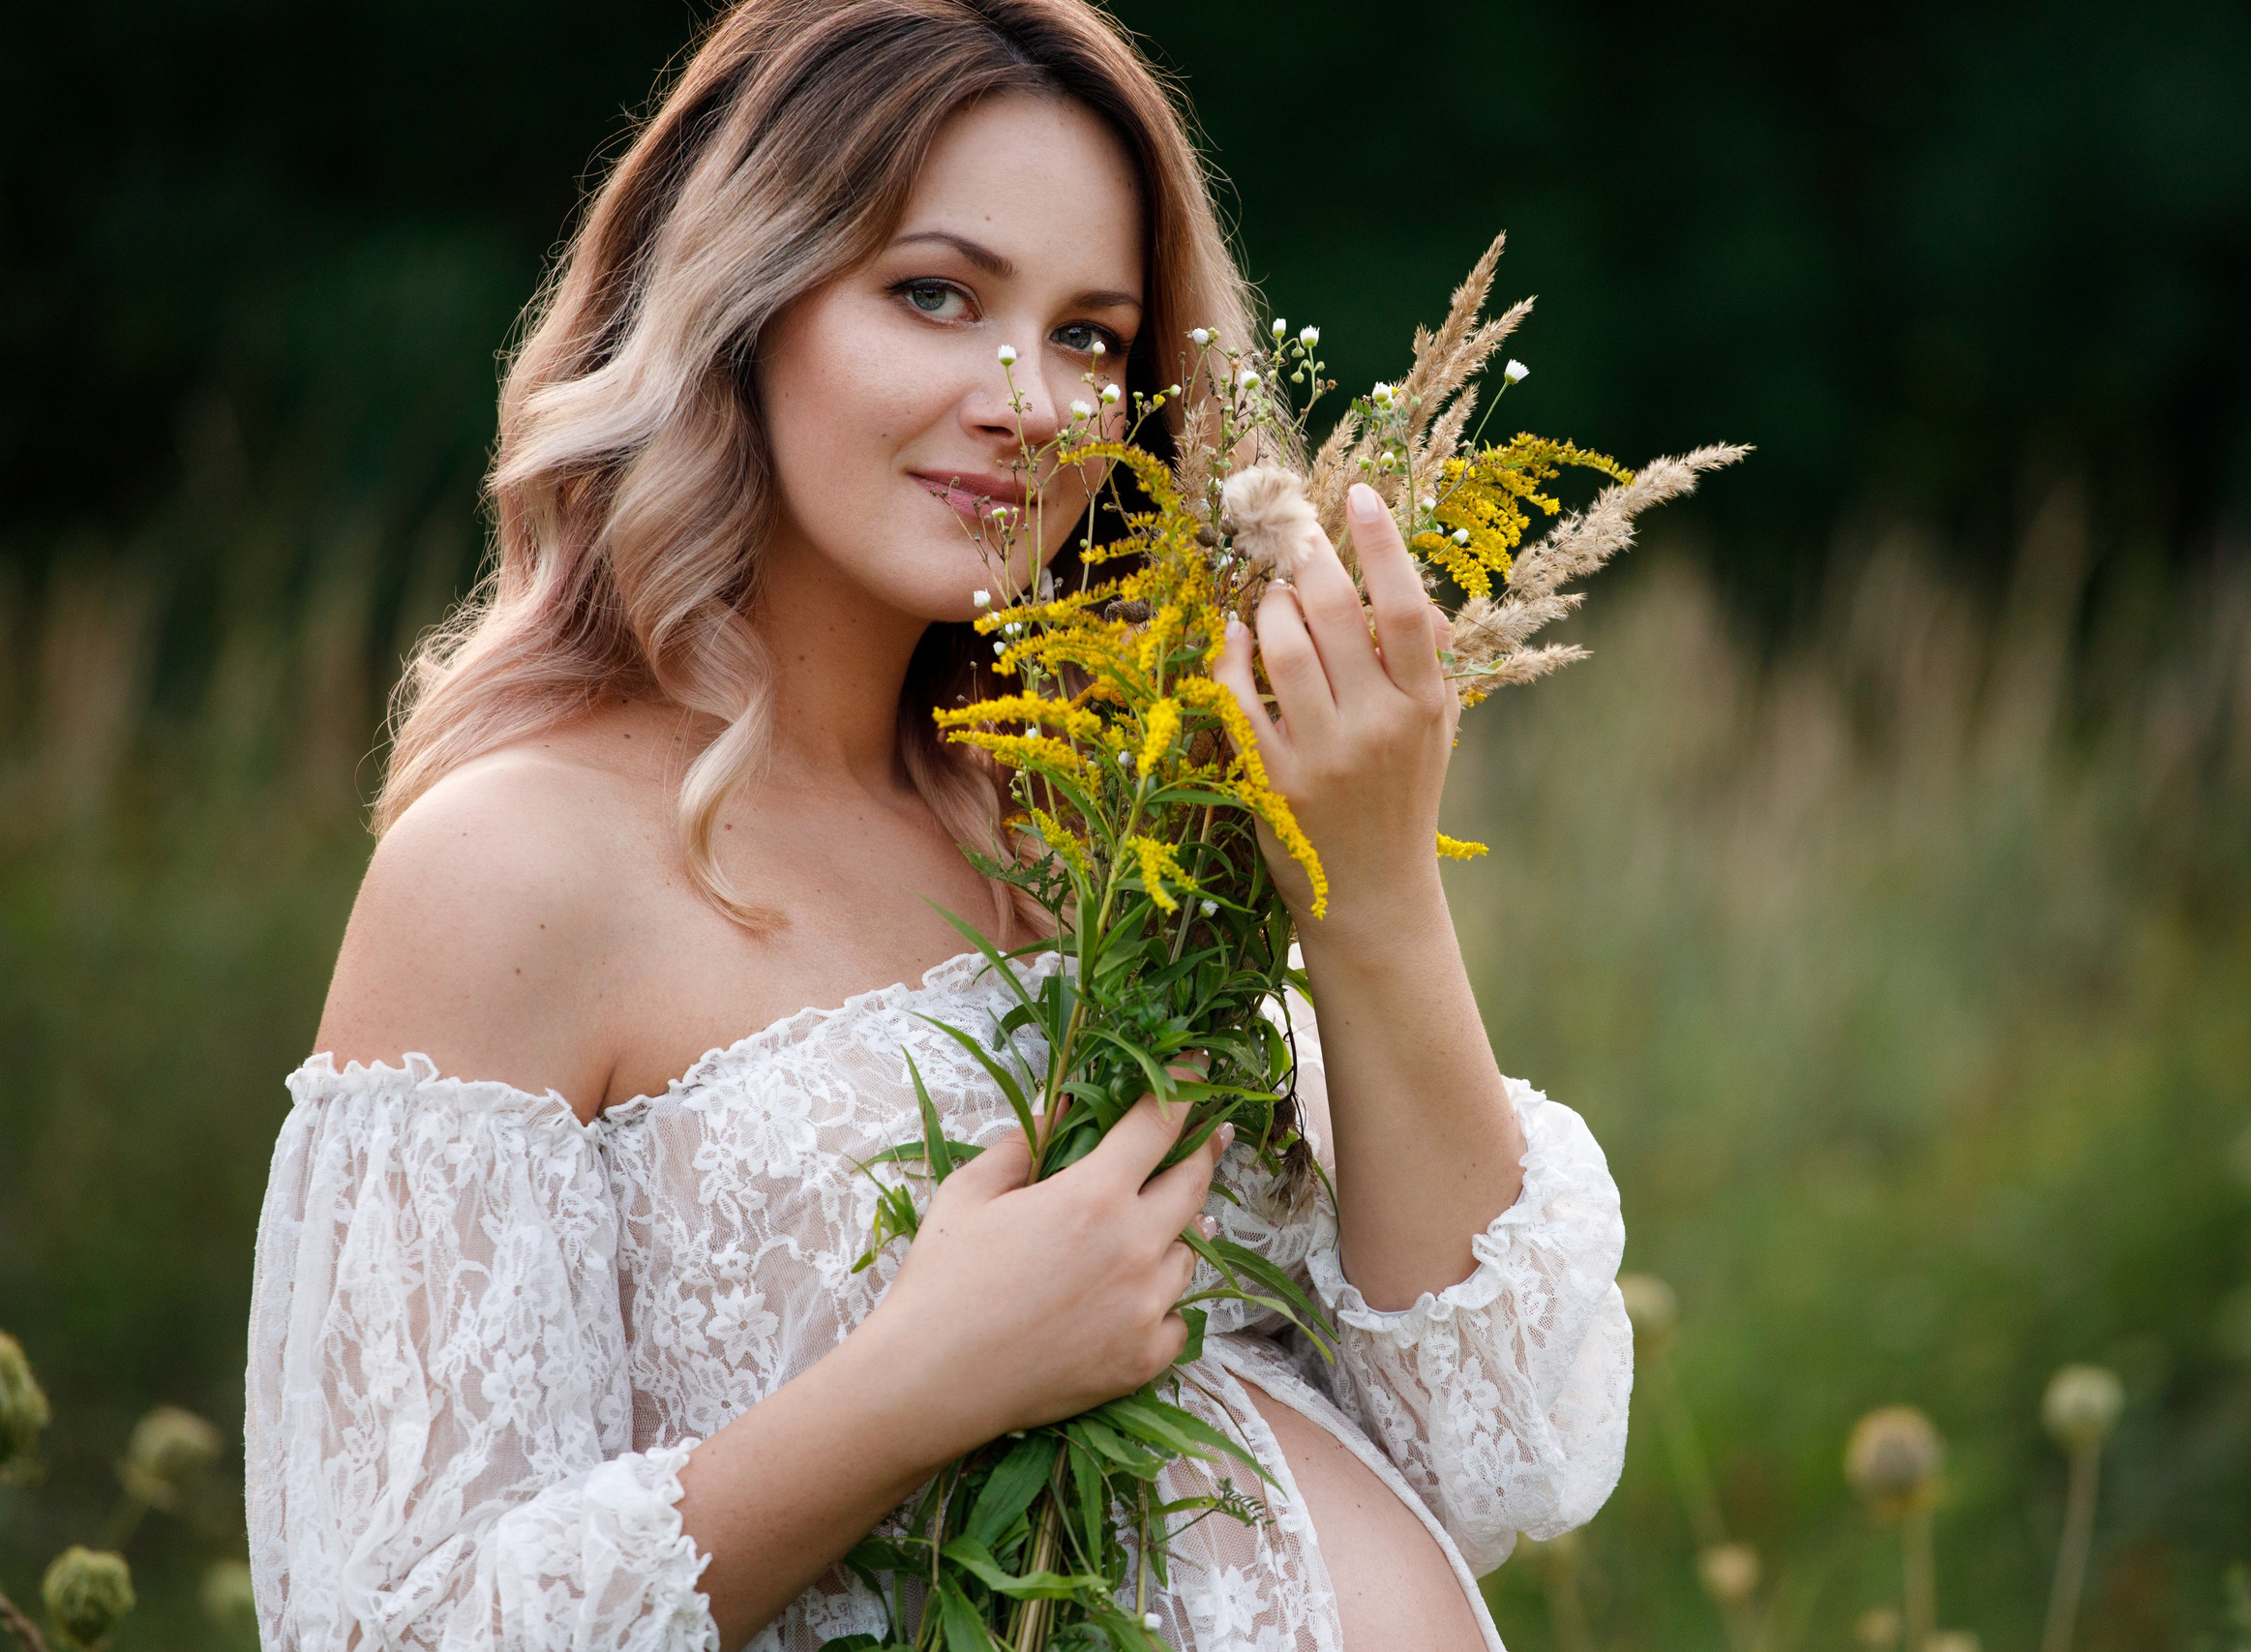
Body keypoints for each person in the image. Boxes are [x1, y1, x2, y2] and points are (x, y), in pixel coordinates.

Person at [242, 2, 1631, 1647]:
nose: (1033, 401)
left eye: (1094, 337)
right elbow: (391, 1631)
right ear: (742, 305)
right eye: (936, 295)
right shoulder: (513, 868)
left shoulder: (1097, 813)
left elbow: (1503, 1449)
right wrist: (915, 1387)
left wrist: (1374, 889)